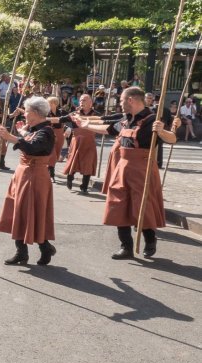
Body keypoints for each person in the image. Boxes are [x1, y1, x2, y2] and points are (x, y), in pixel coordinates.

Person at [77, 87, 179, 259]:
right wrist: (86, 125)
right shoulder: (127, 119)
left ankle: (150, 239)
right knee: (118, 205)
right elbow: (109, 129)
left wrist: (161, 131)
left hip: (142, 170)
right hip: (122, 168)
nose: (120, 103)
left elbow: (172, 139)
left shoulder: (152, 119)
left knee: (142, 207)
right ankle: (126, 246)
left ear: (131, 100)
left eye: (122, 100)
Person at [0, 97, 56, 265]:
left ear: (36, 113)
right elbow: (29, 137)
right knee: (19, 212)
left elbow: (32, 146)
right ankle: (21, 252)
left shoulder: (47, 132)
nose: (25, 113)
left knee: (33, 213)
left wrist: (10, 137)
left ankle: (45, 248)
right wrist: (21, 133)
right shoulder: (35, 128)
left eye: (27, 111)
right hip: (23, 175)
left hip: (35, 176)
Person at [61, 94, 101, 193]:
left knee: (88, 163)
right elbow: (62, 119)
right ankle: (70, 178)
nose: (81, 102)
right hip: (77, 141)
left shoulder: (97, 114)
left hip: (89, 142)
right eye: (80, 100)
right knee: (73, 161)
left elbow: (103, 125)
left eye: (84, 100)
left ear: (91, 103)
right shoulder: (75, 113)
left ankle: (84, 186)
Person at [45, 96, 69, 182]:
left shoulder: (61, 112)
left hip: (60, 134)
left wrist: (68, 129)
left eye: (51, 103)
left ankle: (48, 171)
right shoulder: (46, 113)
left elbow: (69, 118)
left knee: (57, 155)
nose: (49, 105)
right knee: (53, 155)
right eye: (48, 103)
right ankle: (52, 175)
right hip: (50, 134)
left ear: (55, 103)